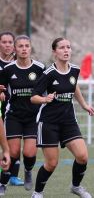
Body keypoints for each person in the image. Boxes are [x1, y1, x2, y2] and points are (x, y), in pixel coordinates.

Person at [30, 37, 94, 198]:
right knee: (51, 163)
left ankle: (76, 186)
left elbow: (74, 86)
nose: (66, 50)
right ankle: (37, 192)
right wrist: (45, 99)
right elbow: (33, 97)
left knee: (82, 156)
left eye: (68, 47)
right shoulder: (48, 73)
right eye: (62, 48)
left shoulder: (74, 70)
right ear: (54, 52)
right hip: (49, 123)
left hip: (68, 121)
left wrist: (84, 104)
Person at [0, 35, 45, 195]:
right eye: (20, 46)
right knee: (12, 152)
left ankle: (27, 171)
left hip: (33, 116)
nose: (24, 48)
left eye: (27, 45)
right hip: (13, 116)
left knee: (29, 153)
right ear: (15, 49)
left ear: (30, 48)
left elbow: (48, 87)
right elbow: (2, 88)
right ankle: (3, 183)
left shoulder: (40, 68)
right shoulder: (8, 69)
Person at [0, 31, 24, 186]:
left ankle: (12, 175)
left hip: (13, 110)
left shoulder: (20, 62)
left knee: (13, 144)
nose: (7, 45)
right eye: (4, 42)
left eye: (10, 42)